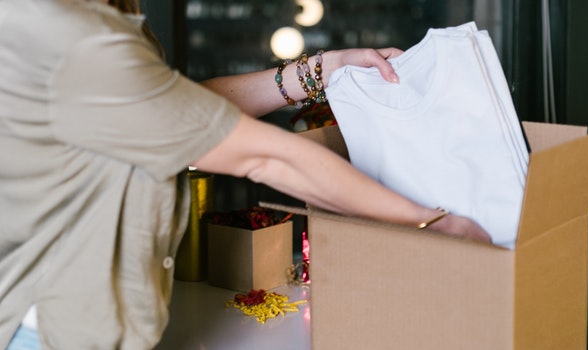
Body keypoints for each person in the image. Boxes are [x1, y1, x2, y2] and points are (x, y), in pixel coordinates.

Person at [0, 0, 490, 349]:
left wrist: (323, 69)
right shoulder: (68, 35)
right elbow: (264, 158)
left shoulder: (105, 16)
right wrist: (428, 221)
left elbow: (175, 111)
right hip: (49, 330)